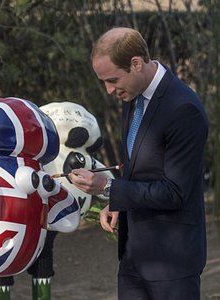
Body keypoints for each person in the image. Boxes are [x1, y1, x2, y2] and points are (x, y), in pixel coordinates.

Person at [68, 27, 209, 300]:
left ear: (136, 63)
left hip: (173, 263)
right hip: (132, 256)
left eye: (112, 79)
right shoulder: (132, 94)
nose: (109, 90)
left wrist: (109, 188)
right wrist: (118, 203)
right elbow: (142, 167)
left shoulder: (184, 109)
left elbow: (174, 191)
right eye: (103, 82)